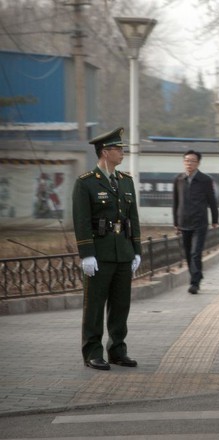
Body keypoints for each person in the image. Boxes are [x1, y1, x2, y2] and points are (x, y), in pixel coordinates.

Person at [72, 127, 142, 371]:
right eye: (118, 148)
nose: (122, 152)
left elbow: (133, 218)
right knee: (94, 306)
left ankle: (117, 350)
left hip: (122, 251)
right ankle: (92, 352)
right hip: (99, 254)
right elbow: (81, 220)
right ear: (104, 152)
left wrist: (136, 250)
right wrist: (87, 254)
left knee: (121, 305)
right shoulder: (86, 183)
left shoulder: (126, 181)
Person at [173, 150, 219, 294]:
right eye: (186, 160)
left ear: (198, 163)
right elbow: (176, 201)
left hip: (200, 222)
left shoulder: (205, 180)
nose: (189, 163)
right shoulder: (179, 179)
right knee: (188, 253)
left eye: (192, 161)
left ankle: (195, 283)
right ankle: (197, 275)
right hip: (184, 221)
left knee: (195, 253)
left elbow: (212, 201)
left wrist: (215, 219)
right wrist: (176, 221)